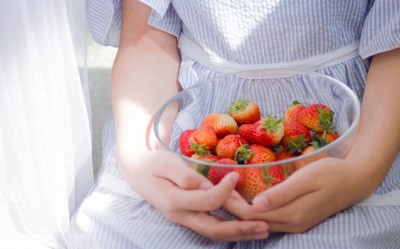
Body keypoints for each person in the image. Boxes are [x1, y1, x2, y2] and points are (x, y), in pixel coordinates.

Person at [69, 0, 400, 248]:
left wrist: (362, 170)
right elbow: (146, 38)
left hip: (351, 134)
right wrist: (141, 158)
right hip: (190, 128)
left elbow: (394, 44)